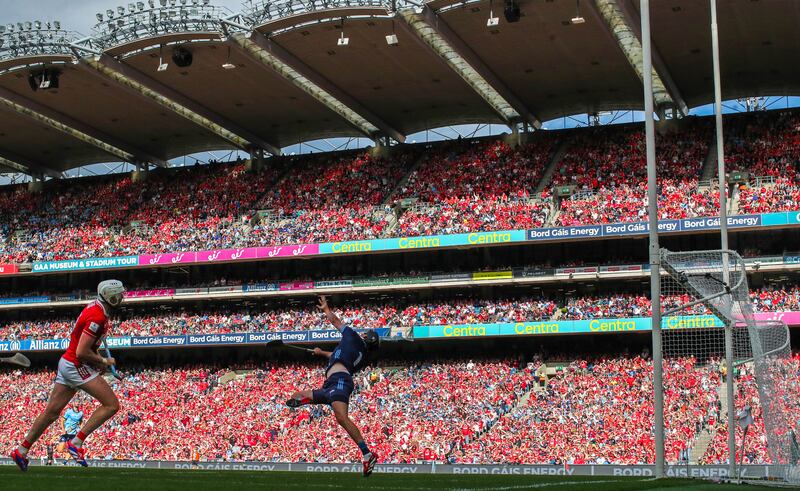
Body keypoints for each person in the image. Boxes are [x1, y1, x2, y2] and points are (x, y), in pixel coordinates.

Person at [10, 280, 125, 471]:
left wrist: (98, 363)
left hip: (68, 363)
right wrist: (103, 362)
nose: (122, 297)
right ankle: (76, 443)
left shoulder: (97, 307)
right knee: (112, 404)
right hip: (75, 364)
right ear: (111, 296)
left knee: (51, 413)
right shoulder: (97, 317)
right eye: (119, 294)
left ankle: (21, 451)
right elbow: (81, 352)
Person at [286, 295, 380, 477]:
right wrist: (321, 352)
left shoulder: (353, 336)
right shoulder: (360, 353)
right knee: (297, 395)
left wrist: (326, 309)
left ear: (366, 338)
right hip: (331, 383)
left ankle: (367, 454)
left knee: (342, 418)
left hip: (338, 381)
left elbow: (336, 321)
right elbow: (337, 357)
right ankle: (303, 401)